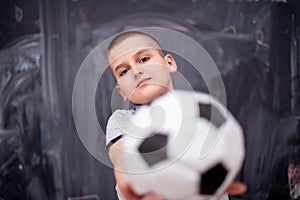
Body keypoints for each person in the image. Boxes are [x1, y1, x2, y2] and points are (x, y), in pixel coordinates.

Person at [106, 31, 246, 200]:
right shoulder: (122, 121)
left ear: (169, 63)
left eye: (143, 59)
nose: (136, 71)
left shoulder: (203, 113)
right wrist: (129, 181)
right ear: (122, 91)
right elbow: (121, 158)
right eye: (124, 71)